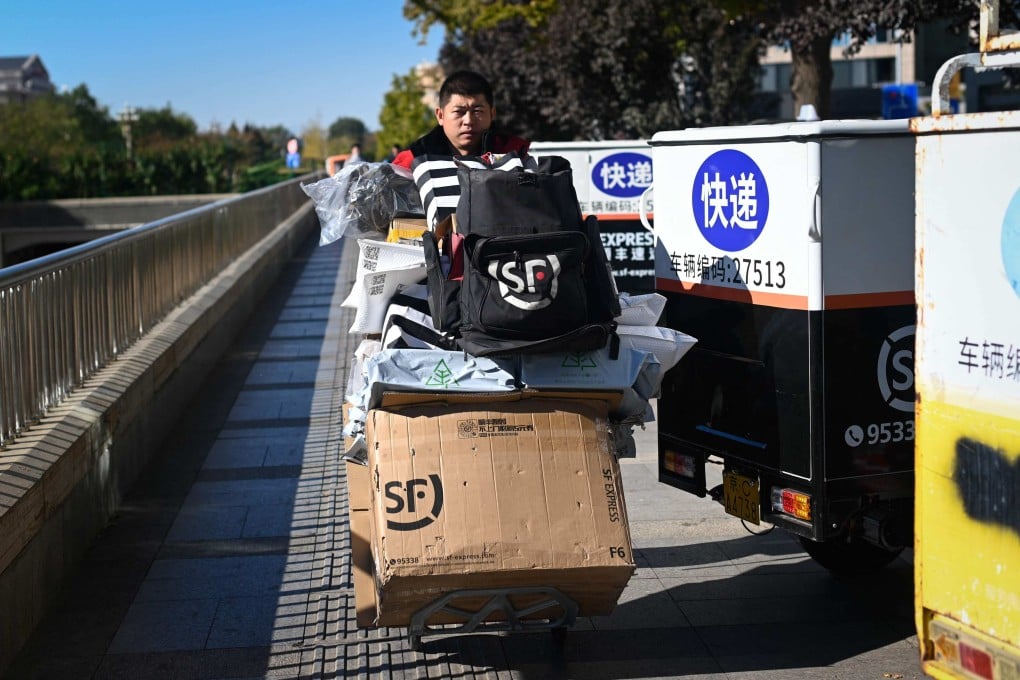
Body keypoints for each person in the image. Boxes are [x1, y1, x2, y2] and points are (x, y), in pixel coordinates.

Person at [392, 70, 530, 169]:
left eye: (477, 111)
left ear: (492, 113)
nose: (468, 121)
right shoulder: (412, 162)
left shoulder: (518, 155)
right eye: (459, 112)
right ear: (440, 116)